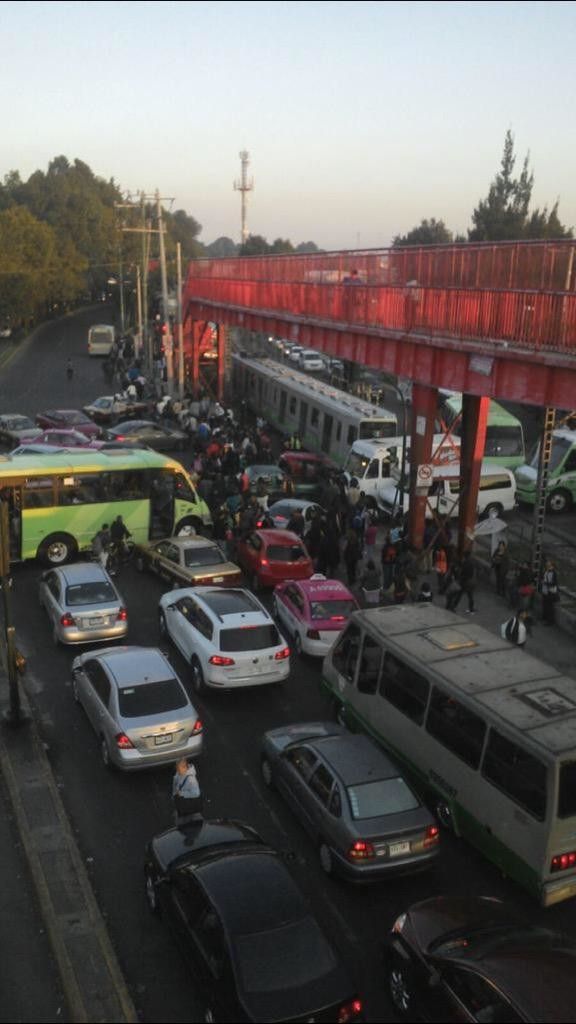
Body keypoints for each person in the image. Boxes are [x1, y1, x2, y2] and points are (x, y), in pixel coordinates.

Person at [172, 758, 202, 825]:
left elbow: (196, 793)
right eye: (177, 768)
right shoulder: (178, 775)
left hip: (190, 806)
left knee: (191, 823)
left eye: (181, 768)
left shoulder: (191, 780)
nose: (179, 771)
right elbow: (175, 786)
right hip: (182, 804)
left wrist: (182, 793)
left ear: (186, 767)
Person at [541, 559, 559, 625]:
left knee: (550, 607)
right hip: (545, 591)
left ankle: (550, 621)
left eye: (548, 564)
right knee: (545, 605)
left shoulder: (554, 573)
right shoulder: (547, 571)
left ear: (552, 565)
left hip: (550, 592)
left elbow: (554, 583)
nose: (547, 565)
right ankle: (545, 618)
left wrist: (545, 583)